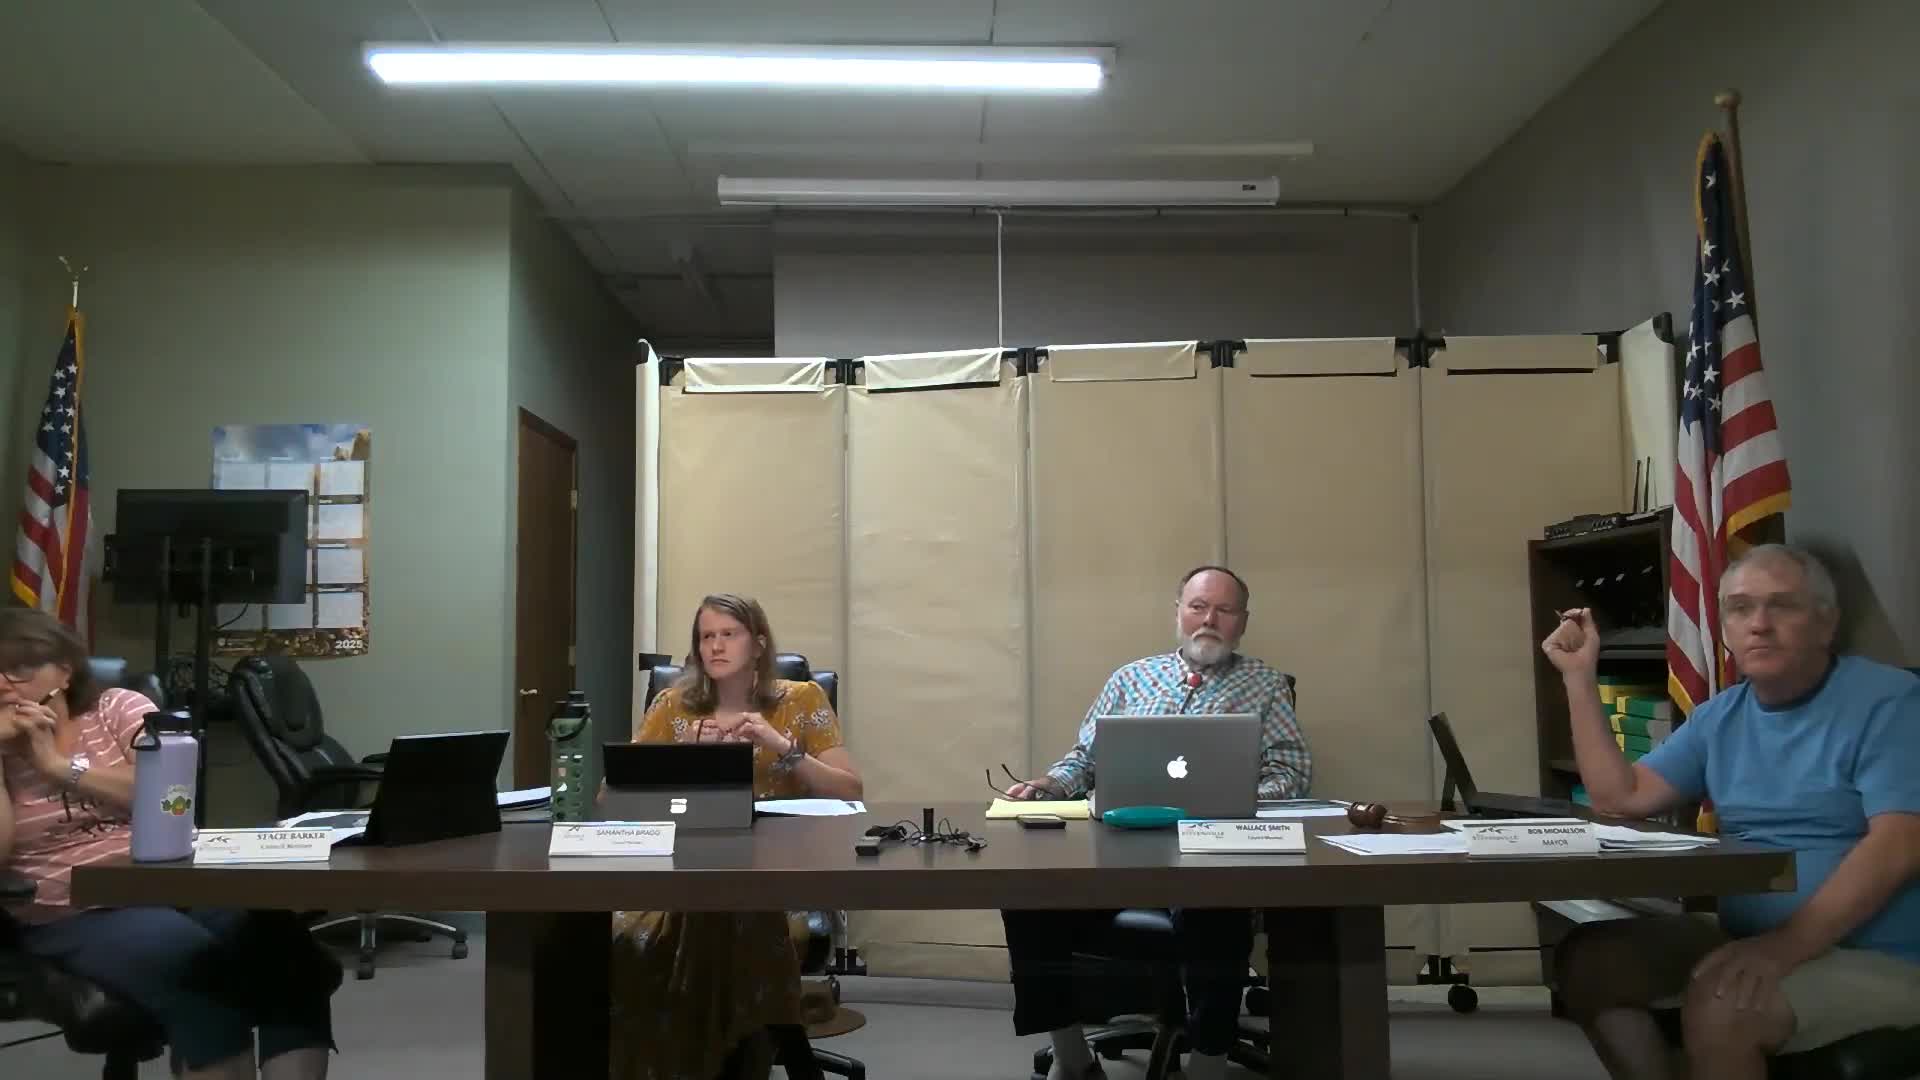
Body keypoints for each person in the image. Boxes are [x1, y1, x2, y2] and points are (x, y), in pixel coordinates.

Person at [1541, 544, 1920, 1080]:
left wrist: (1784, 948)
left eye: (1781, 605)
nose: (1759, 624)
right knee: (1592, 962)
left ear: (1826, 623)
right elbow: (1620, 797)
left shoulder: (1890, 701)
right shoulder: (1721, 717)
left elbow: (1899, 843)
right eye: (1740, 609)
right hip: (1752, 936)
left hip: (1882, 955)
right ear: (1724, 629)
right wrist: (1579, 679)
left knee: (1725, 1005)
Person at [0, 607, 339, 1080]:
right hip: (76, 907)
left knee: (285, 949)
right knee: (194, 966)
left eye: (19, 668)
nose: (3, 684)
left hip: (175, 882)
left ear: (65, 669)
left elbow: (166, 791)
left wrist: (58, 768)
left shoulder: (115, 708)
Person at [1001, 565, 1310, 1080]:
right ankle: (1072, 1056)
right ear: (1179, 613)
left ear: (1242, 621)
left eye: (1224, 610)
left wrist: (1237, 797)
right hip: (1117, 850)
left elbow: (1291, 771)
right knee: (1029, 895)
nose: (1209, 619)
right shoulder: (1130, 678)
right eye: (1198, 607)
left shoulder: (1266, 685)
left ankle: (1208, 1061)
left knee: (1217, 909)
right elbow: (1085, 759)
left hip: (1207, 852)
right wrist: (1050, 784)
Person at [610, 593, 863, 1080]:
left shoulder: (801, 700)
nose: (716, 646)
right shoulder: (672, 706)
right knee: (621, 933)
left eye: (729, 634)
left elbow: (850, 790)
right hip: (680, 876)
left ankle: (712, 1063)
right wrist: (684, 762)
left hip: (776, 878)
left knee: (729, 917)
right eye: (707, 636)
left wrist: (782, 747)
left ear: (759, 644)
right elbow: (613, 795)